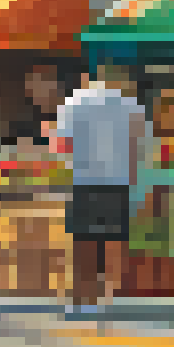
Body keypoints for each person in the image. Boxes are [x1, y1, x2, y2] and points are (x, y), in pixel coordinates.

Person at [54, 65, 150, 320]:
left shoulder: (73, 102)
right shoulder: (131, 106)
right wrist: (138, 190)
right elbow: (139, 150)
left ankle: (79, 300)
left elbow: (62, 145)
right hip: (118, 183)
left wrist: (70, 168)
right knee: (111, 244)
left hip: (84, 180)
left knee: (83, 243)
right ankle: (99, 298)